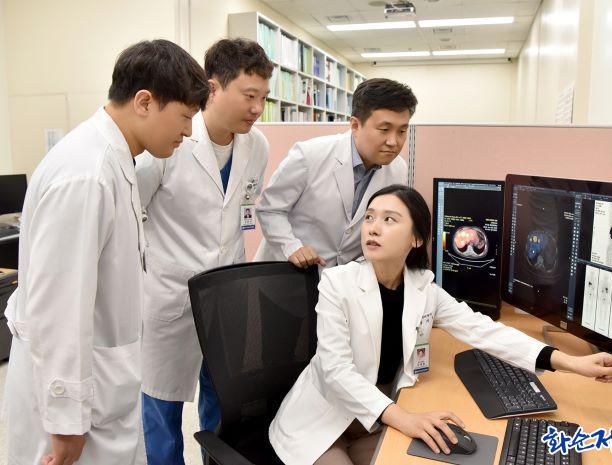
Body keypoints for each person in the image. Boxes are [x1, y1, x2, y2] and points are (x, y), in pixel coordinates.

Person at [268, 185, 612, 465]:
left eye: (389, 220)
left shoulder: (423, 288)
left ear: (416, 238)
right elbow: (335, 371)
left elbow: (483, 330)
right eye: (370, 218)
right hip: (324, 423)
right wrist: (404, 418)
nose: (373, 228)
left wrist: (571, 362)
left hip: (373, 421)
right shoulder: (337, 284)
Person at [3, 40, 209, 465]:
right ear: (145, 102)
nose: (189, 132)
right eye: (185, 116)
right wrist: (66, 422)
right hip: (73, 407)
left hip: (106, 386)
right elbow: (58, 309)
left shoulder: (116, 159)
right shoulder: (87, 174)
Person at [135, 38, 272, 465]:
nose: (257, 108)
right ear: (213, 88)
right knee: (162, 407)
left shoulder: (257, 146)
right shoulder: (170, 141)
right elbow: (130, 214)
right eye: (249, 96)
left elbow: (241, 211)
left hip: (227, 296)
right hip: (170, 296)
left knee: (225, 401)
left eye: (264, 98)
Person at [255, 78, 415, 269]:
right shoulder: (309, 155)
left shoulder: (398, 170)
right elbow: (270, 209)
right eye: (384, 130)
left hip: (345, 279)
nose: (393, 142)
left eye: (402, 131)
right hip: (288, 271)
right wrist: (291, 246)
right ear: (355, 125)